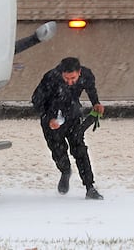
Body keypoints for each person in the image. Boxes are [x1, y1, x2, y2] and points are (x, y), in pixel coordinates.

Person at [31, 57, 105, 200]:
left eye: (73, 78)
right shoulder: (51, 77)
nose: (70, 82)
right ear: (61, 73)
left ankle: (90, 187)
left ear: (79, 72)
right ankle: (65, 171)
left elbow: (91, 89)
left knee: (80, 150)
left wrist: (96, 103)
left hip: (72, 115)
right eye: (66, 78)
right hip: (51, 117)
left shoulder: (87, 75)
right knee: (58, 151)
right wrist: (49, 118)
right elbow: (36, 100)